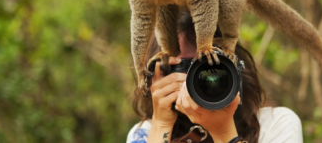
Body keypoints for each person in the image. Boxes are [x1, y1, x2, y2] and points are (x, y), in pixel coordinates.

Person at [127, 12, 303, 143]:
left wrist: (223, 131)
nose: (201, 77)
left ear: (235, 65)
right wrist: (162, 125)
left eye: (210, 64)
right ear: (159, 74)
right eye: (185, 66)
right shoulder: (145, 134)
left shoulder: (275, 124)